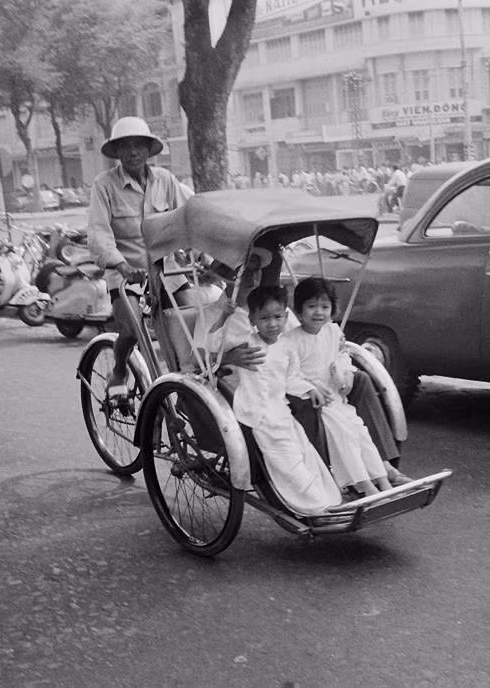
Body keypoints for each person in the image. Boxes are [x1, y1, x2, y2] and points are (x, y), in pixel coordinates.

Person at [196, 284, 345, 514]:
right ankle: (314, 502)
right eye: (264, 318)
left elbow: (292, 378)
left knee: (300, 450)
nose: (273, 324)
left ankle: (322, 494)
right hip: (254, 410)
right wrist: (224, 317)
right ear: (252, 319)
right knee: (284, 454)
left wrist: (309, 388)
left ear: (286, 317)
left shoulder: (287, 346)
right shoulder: (246, 341)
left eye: (278, 317)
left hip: (280, 410)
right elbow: (212, 344)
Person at [87, 116, 192, 396]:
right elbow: (98, 233)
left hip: (166, 269)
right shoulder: (104, 185)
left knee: (193, 318)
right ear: (117, 152)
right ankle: (120, 368)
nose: (133, 152)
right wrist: (120, 265)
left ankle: (188, 382)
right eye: (125, 146)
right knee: (132, 327)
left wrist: (194, 253)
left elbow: (187, 218)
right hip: (126, 272)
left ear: (148, 150)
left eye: (138, 146)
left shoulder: (166, 180)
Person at [283, 277, 411, 494]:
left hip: (336, 394)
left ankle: (383, 475)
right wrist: (309, 386)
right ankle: (365, 483)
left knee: (358, 430)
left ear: (332, 309)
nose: (318, 312)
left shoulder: (332, 332)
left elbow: (342, 356)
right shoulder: (291, 340)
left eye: (324, 307)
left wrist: (346, 374)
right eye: (311, 307)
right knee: (345, 435)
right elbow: (289, 374)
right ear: (298, 310)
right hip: (315, 398)